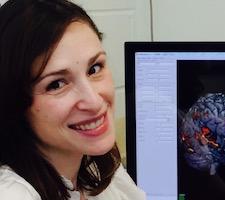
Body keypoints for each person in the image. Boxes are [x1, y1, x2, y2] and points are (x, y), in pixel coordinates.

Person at [0, 0, 146, 199]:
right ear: (13, 102)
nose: (94, 102)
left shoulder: (95, 166)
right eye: (57, 84)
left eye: (94, 69)